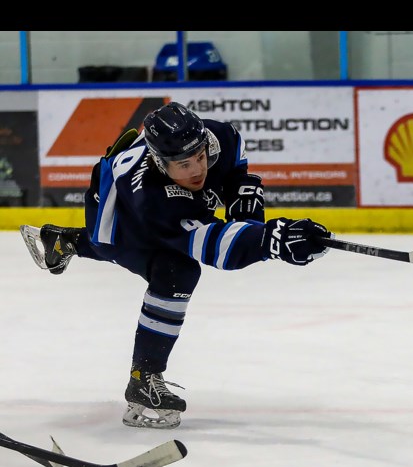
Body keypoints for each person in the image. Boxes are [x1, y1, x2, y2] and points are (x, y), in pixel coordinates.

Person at [21, 101, 333, 430]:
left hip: (156, 206)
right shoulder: (153, 198)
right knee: (174, 269)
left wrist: (245, 197)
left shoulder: (221, 136)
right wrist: (272, 240)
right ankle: (143, 379)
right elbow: (213, 246)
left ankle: (60, 241)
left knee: (177, 250)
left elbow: (235, 165)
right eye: (183, 164)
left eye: (199, 156)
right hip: (114, 209)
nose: (197, 169)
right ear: (159, 161)